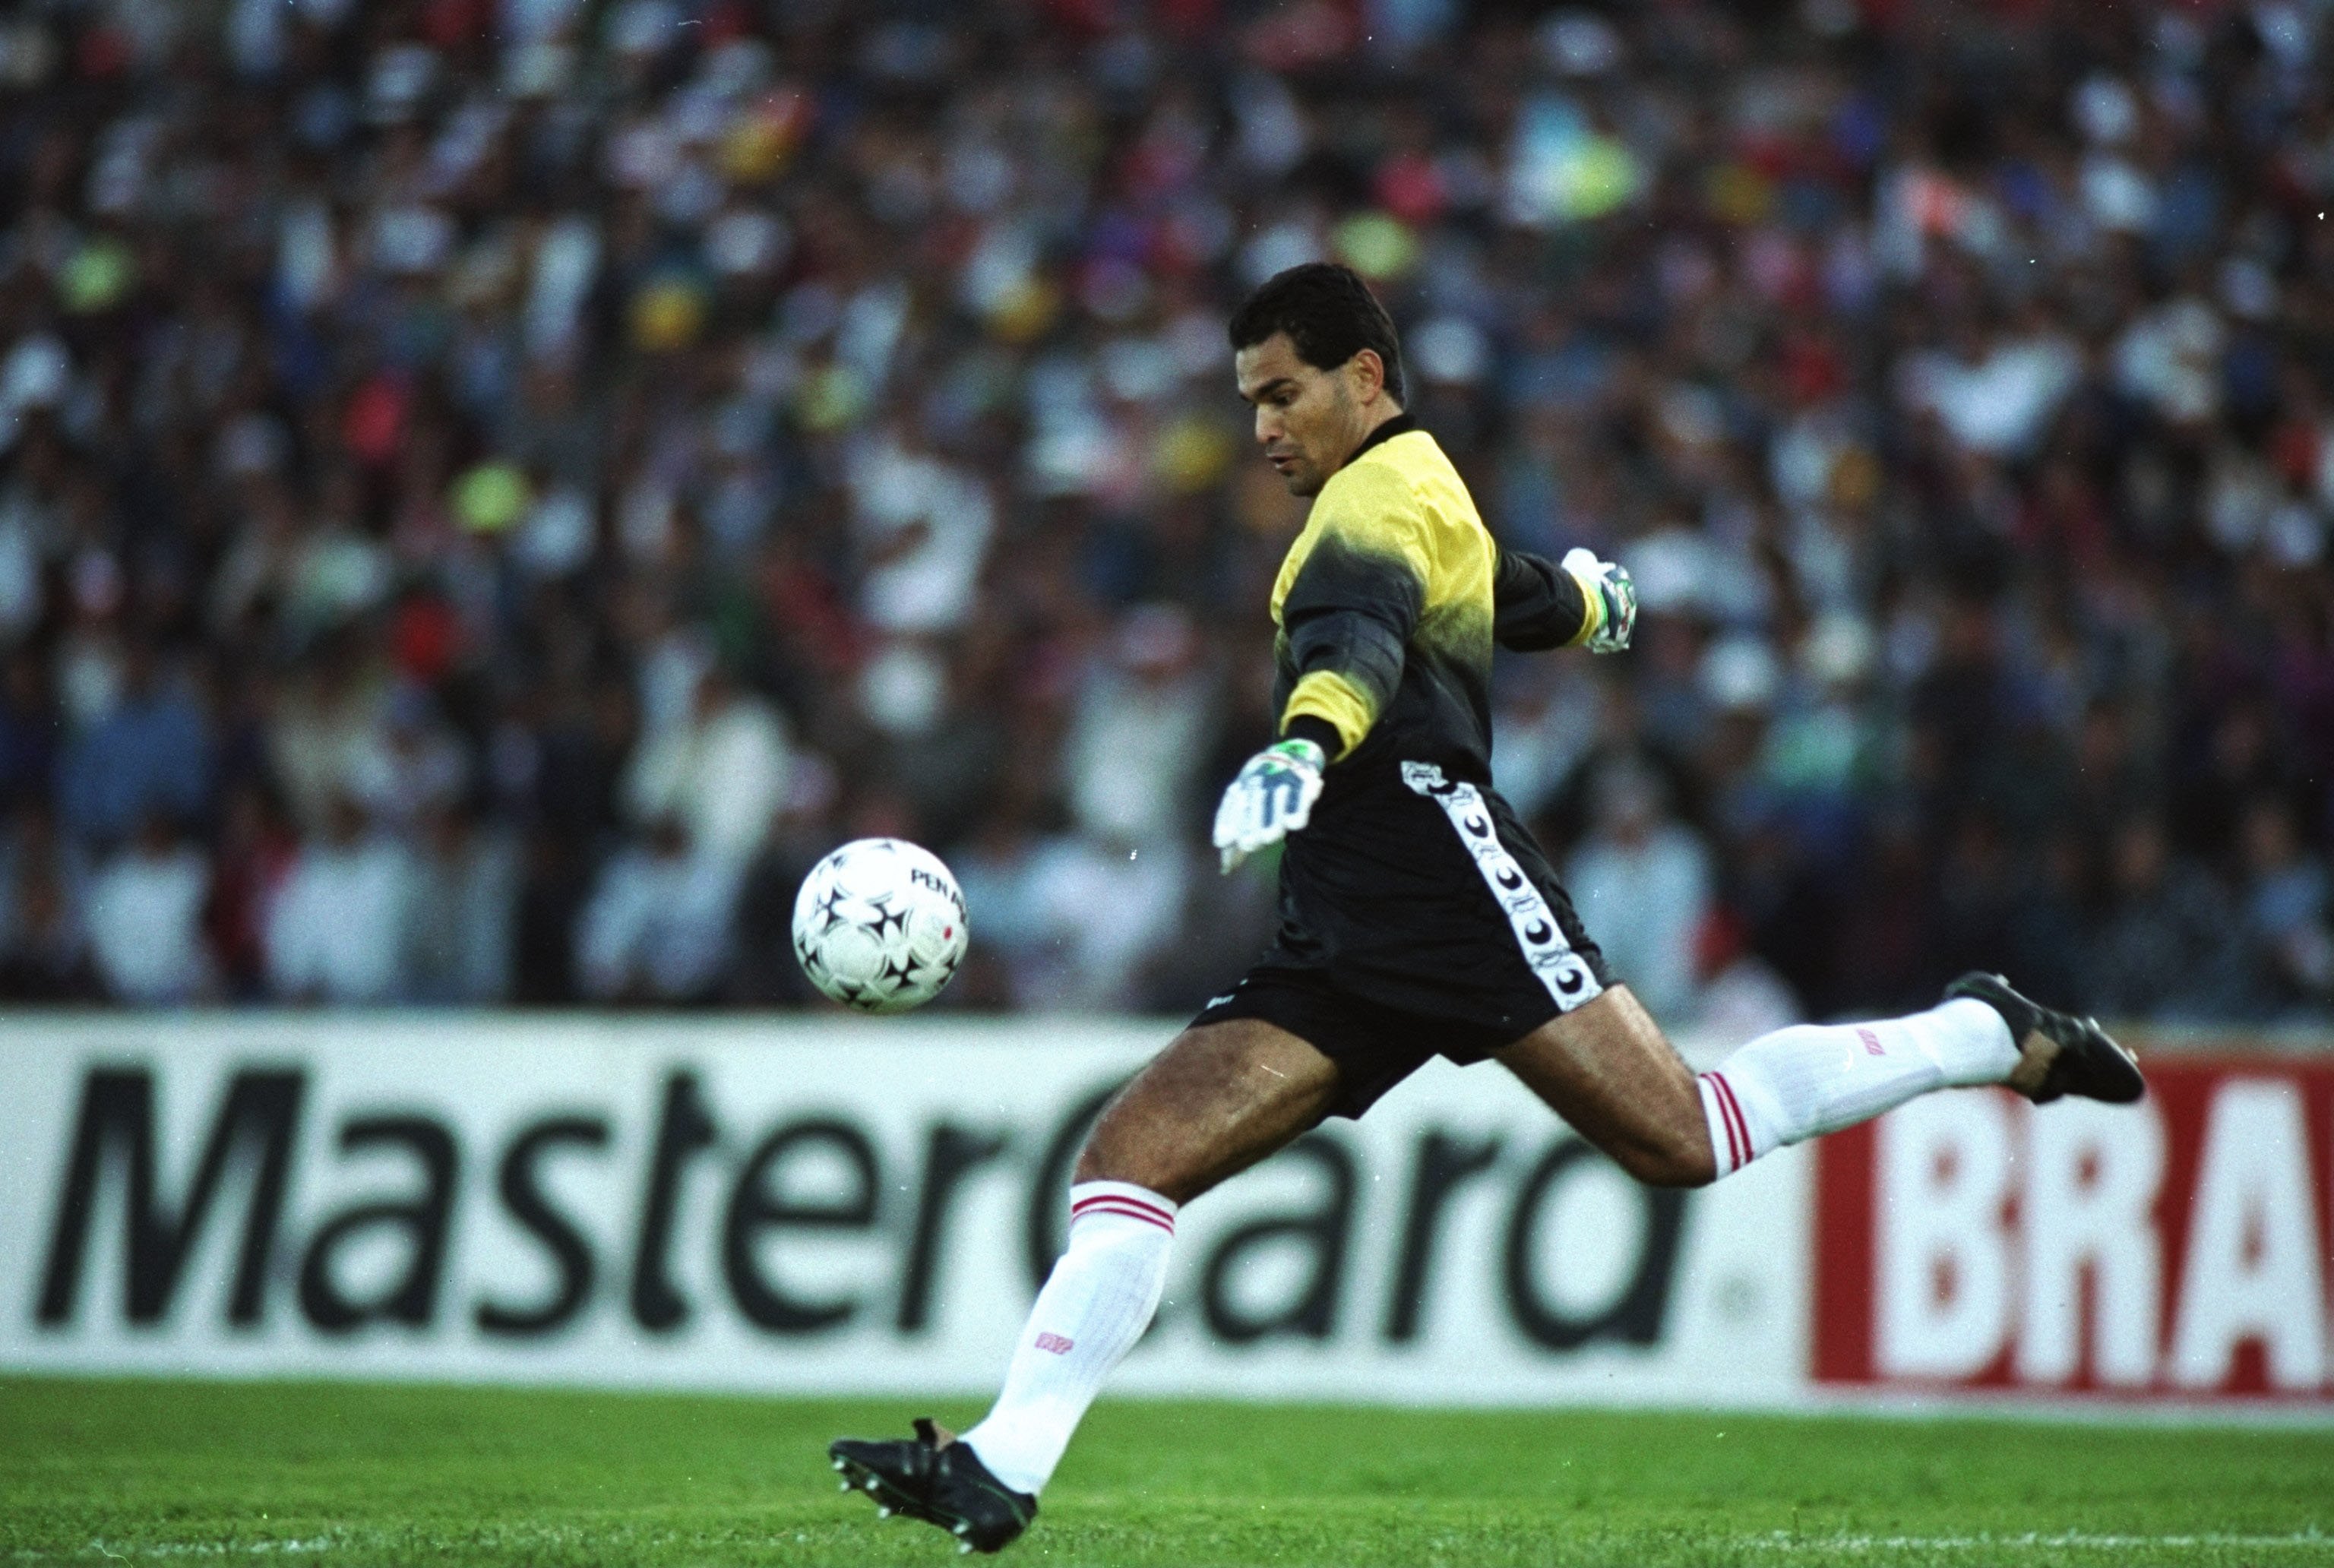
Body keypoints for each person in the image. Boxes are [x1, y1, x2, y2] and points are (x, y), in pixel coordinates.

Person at [828, 264, 2144, 1554]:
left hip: (1443, 877)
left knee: (1686, 1136)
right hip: (1343, 918)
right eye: (1249, 403)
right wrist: (1595, 604)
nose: (1264, 428)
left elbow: (1360, 645)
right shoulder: (1417, 483)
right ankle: (1002, 1464)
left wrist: (1302, 745)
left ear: (1363, 376)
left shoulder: (1364, 517)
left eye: (1282, 395)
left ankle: (1980, 1033)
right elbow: (1499, 589)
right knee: (1132, 1159)